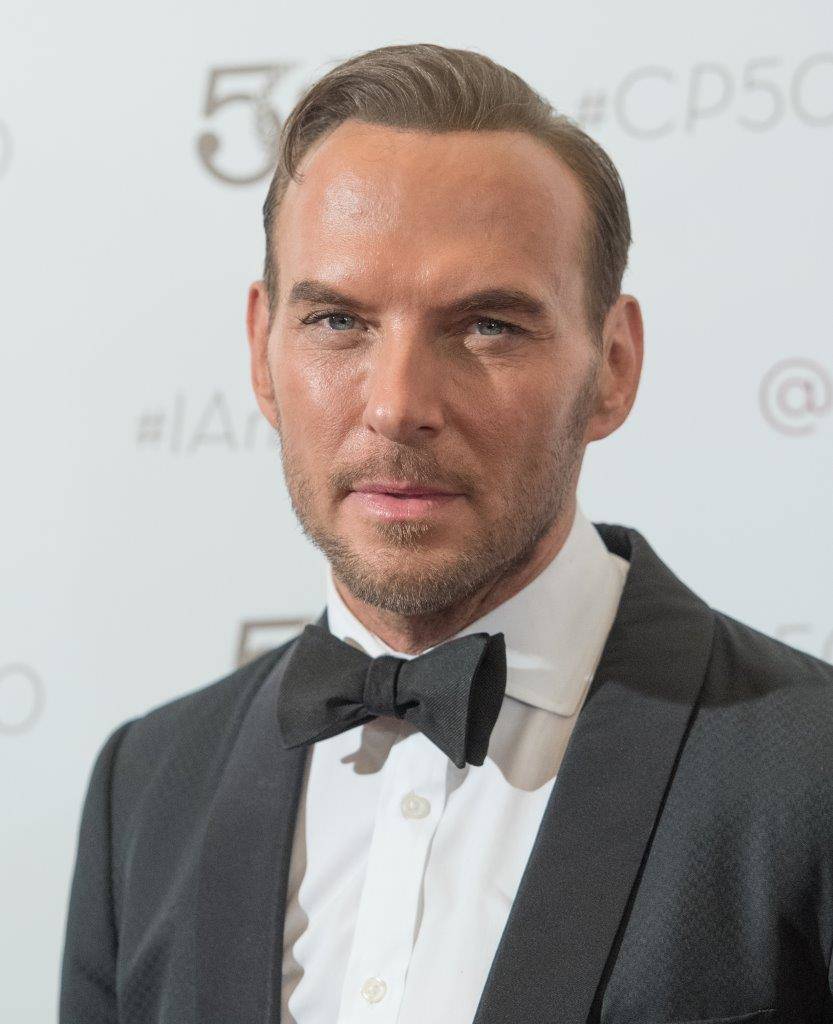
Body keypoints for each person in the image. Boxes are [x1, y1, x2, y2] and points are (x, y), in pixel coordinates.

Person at [60, 42, 833, 1024]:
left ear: (612, 365)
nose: (396, 405)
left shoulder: (808, 768)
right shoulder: (146, 784)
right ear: (261, 352)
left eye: (486, 326)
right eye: (337, 321)